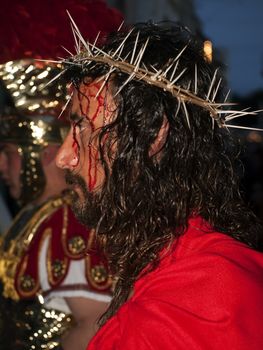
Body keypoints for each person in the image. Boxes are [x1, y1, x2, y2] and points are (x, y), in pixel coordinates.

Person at [55, 22, 263, 349]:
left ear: (152, 133)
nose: (64, 157)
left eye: (81, 128)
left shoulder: (167, 320)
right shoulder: (205, 263)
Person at [0, 2, 123, 349]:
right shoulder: (40, 216)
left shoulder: (70, 221)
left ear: (48, 153)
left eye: (9, 154)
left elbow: (94, 327)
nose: (2, 167)